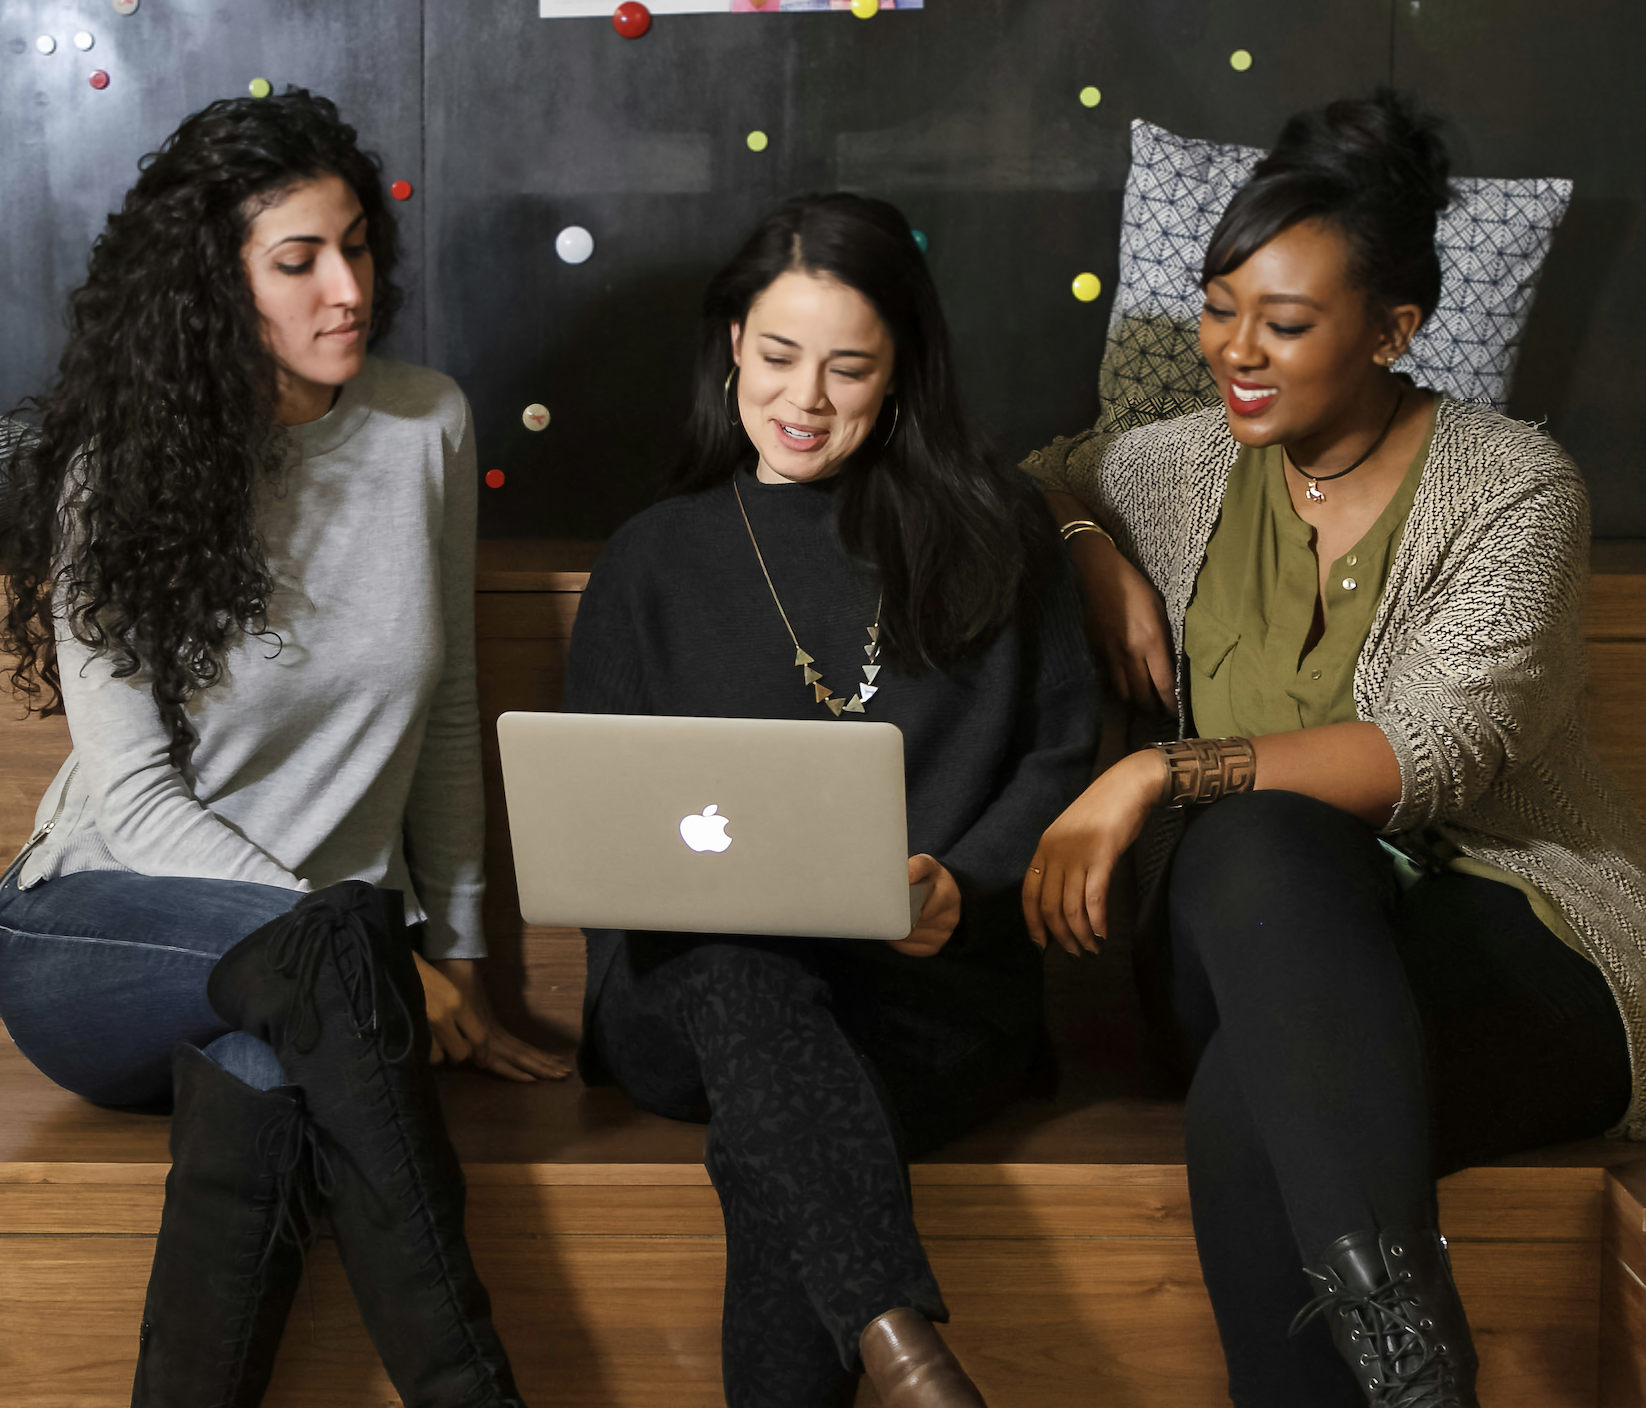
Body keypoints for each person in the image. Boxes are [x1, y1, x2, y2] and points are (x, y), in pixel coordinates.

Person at [1020, 91, 1642, 1407]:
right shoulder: (1168, 468)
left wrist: (1153, 770)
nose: (1233, 352)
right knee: (1256, 851)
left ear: (1392, 330)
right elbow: (1015, 480)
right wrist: (1086, 550)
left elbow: (1434, 750)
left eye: (1285, 325)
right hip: (1250, 938)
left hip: (1518, 926)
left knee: (1254, 1104)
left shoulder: (1513, 484)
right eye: (1218, 307)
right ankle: (1424, 1373)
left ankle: (1408, 1360)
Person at [0, 89, 565, 1407]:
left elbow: (440, 712)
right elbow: (134, 795)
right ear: (213, 287)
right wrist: (365, 954)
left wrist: (461, 960)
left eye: (356, 245)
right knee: (320, 973)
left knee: (266, 1075)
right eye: (297, 259)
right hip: (98, 944)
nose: (346, 289)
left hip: (309, 998)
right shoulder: (117, 466)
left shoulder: (424, 426)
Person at [563, 192, 1097, 1407]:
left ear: (901, 370)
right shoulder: (652, 558)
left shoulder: (997, 532)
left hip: (926, 997)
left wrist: (963, 880)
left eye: (847, 368)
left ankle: (901, 1351)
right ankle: (899, 1344)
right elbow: (591, 812)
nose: (804, 399)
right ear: (731, 349)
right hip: (687, 997)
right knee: (738, 972)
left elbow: (1059, 753)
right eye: (778, 356)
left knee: (782, 1141)